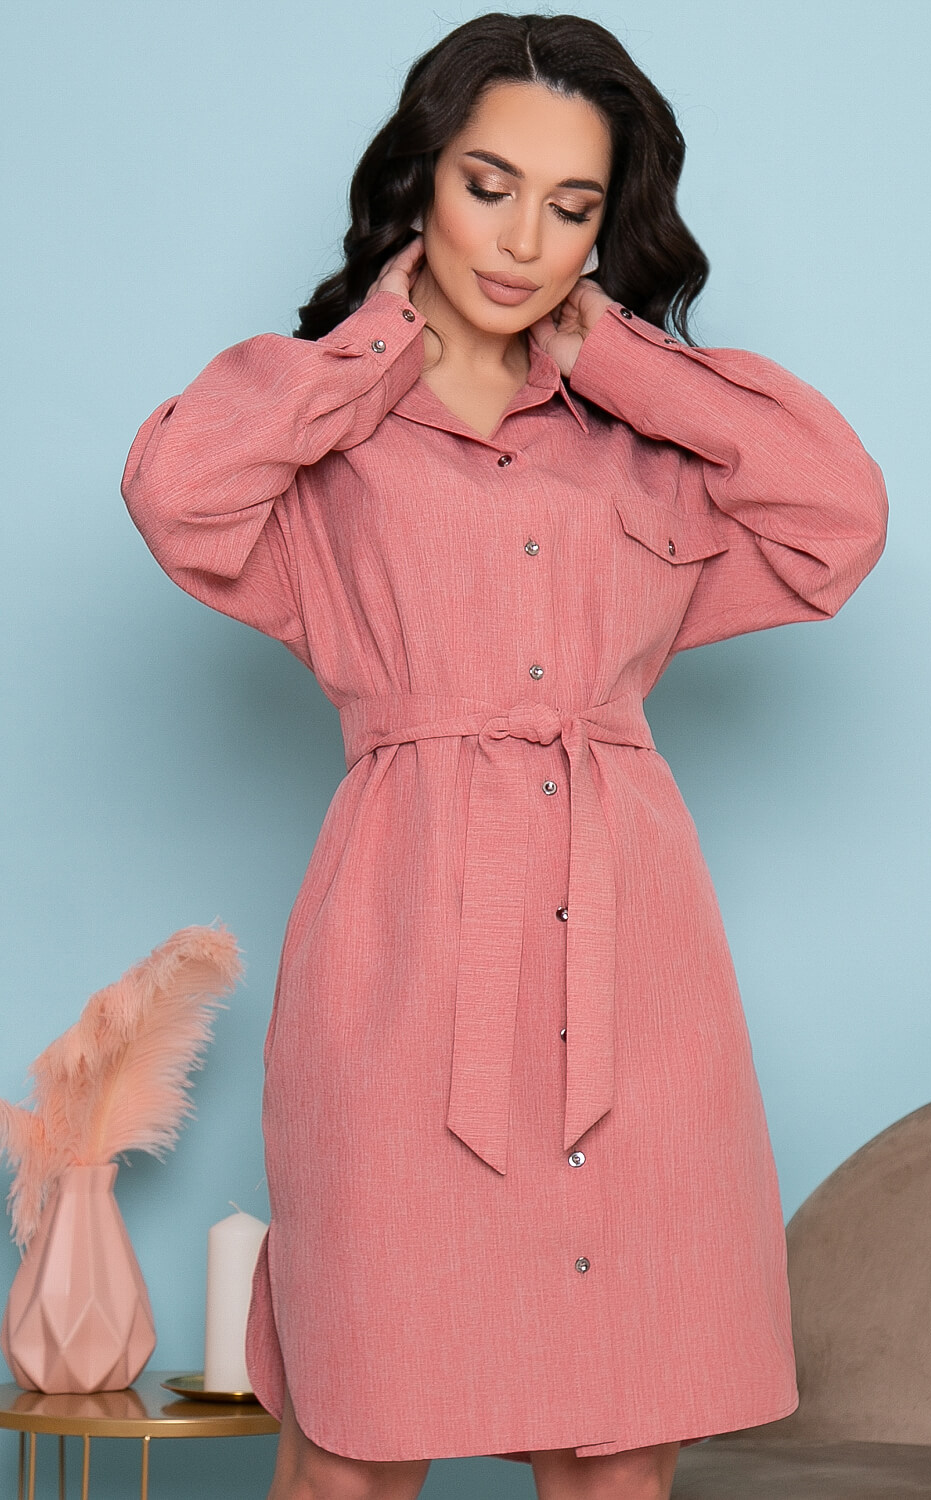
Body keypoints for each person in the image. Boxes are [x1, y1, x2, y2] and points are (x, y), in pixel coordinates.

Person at [120, 13, 888, 1499]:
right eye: (489, 185)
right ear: (423, 179)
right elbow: (176, 492)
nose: (525, 239)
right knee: (353, 1449)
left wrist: (626, 362)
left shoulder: (645, 442)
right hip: (400, 968)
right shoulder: (326, 429)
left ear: (608, 228)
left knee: (617, 1456)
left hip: (635, 984)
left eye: (572, 206)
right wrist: (380, 341)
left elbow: (837, 519)